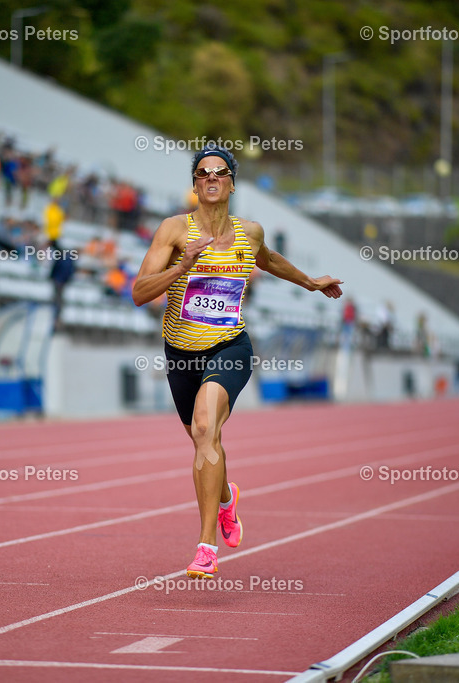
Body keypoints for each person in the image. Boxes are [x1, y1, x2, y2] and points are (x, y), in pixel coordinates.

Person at [132, 146, 343, 578]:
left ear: (231, 182)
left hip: (230, 347)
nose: (211, 178)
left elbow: (268, 259)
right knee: (200, 439)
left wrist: (310, 283)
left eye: (220, 172)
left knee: (208, 429)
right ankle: (226, 498)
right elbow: (139, 292)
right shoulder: (173, 230)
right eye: (202, 173)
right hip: (181, 355)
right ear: (194, 184)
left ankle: (206, 546)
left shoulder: (250, 232)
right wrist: (183, 265)